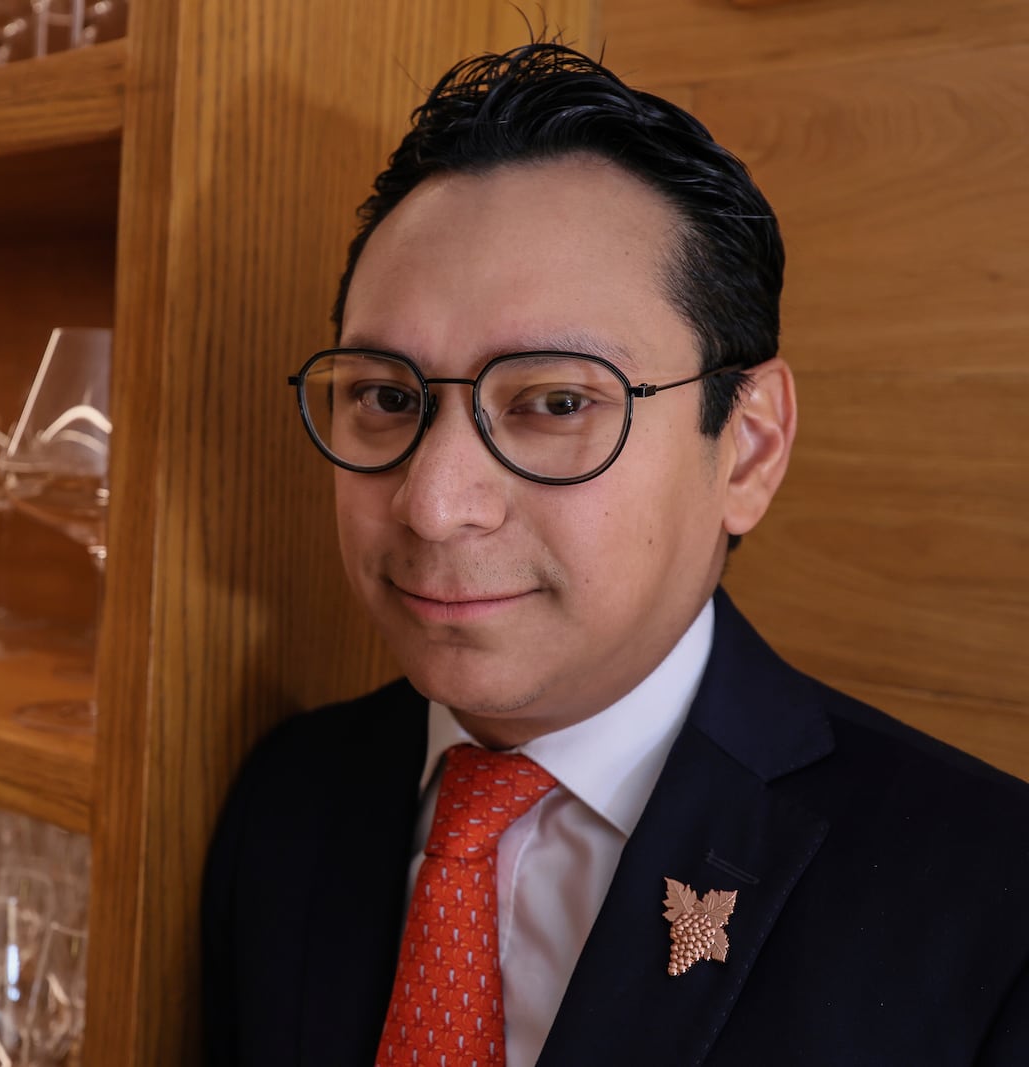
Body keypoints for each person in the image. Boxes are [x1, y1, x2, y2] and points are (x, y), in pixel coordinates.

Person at [201, 41, 1029, 1066]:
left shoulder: (990, 906)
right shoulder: (287, 798)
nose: (433, 502)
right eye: (386, 397)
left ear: (748, 447)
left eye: (554, 402)